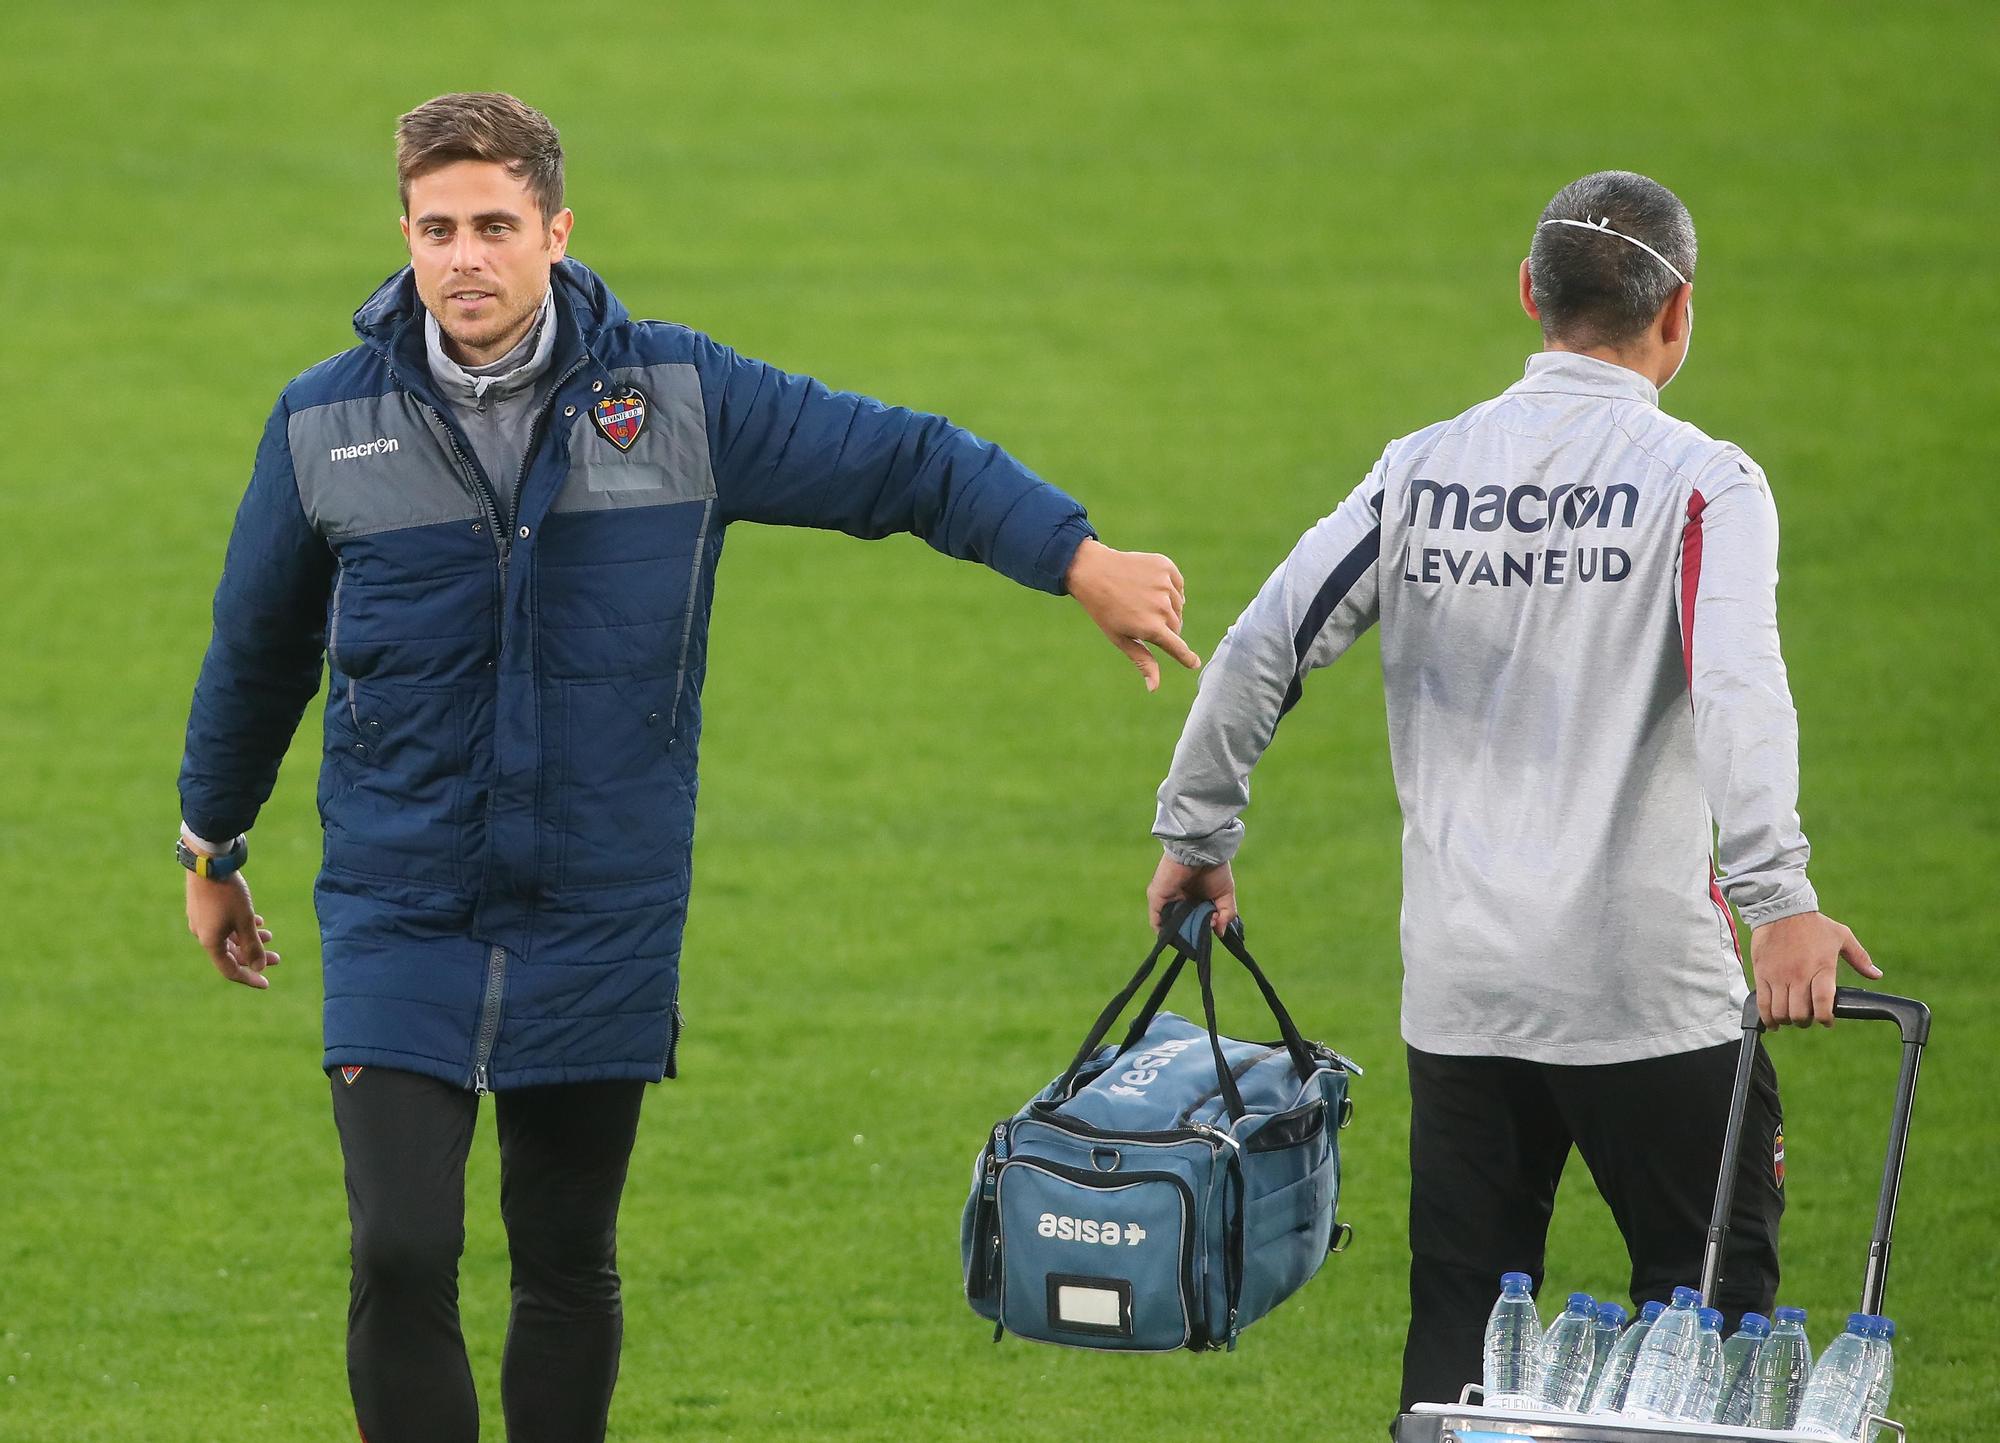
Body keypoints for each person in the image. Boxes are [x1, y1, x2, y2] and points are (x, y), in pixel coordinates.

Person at [177, 92, 1197, 1443]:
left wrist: (1076, 558)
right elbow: (257, 647)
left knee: (563, 1254)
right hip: (399, 901)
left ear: (556, 229)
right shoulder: (324, 424)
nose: (464, 257)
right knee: (403, 1248)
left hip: (597, 907)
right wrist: (213, 845)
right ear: (404, 237)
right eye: (437, 228)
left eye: (494, 225)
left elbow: (901, 461)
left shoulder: (677, 398)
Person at [1144, 170, 1880, 1416]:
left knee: (1461, 1335)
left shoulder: (1419, 472)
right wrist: (1779, 899)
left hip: (1465, 992)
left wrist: (1196, 832)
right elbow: (1740, 686)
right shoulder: (1702, 482)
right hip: (1650, 995)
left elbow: (1261, 642)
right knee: (1711, 1325)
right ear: (1677, 315)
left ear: (1528, 295)